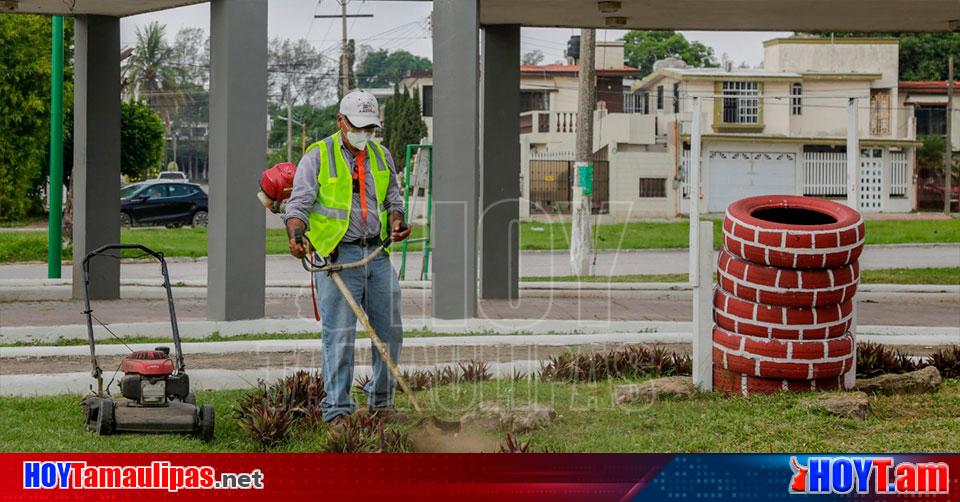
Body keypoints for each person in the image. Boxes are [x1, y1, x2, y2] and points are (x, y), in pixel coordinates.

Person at [283, 90, 412, 429]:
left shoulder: (381, 156)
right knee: (340, 336)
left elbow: (393, 200)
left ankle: (381, 403)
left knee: (390, 332)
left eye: (370, 128)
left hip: (376, 255)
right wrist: (296, 235)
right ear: (340, 121)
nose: (364, 134)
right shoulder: (318, 156)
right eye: (358, 126)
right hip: (337, 258)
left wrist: (397, 222)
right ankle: (337, 410)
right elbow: (298, 206)